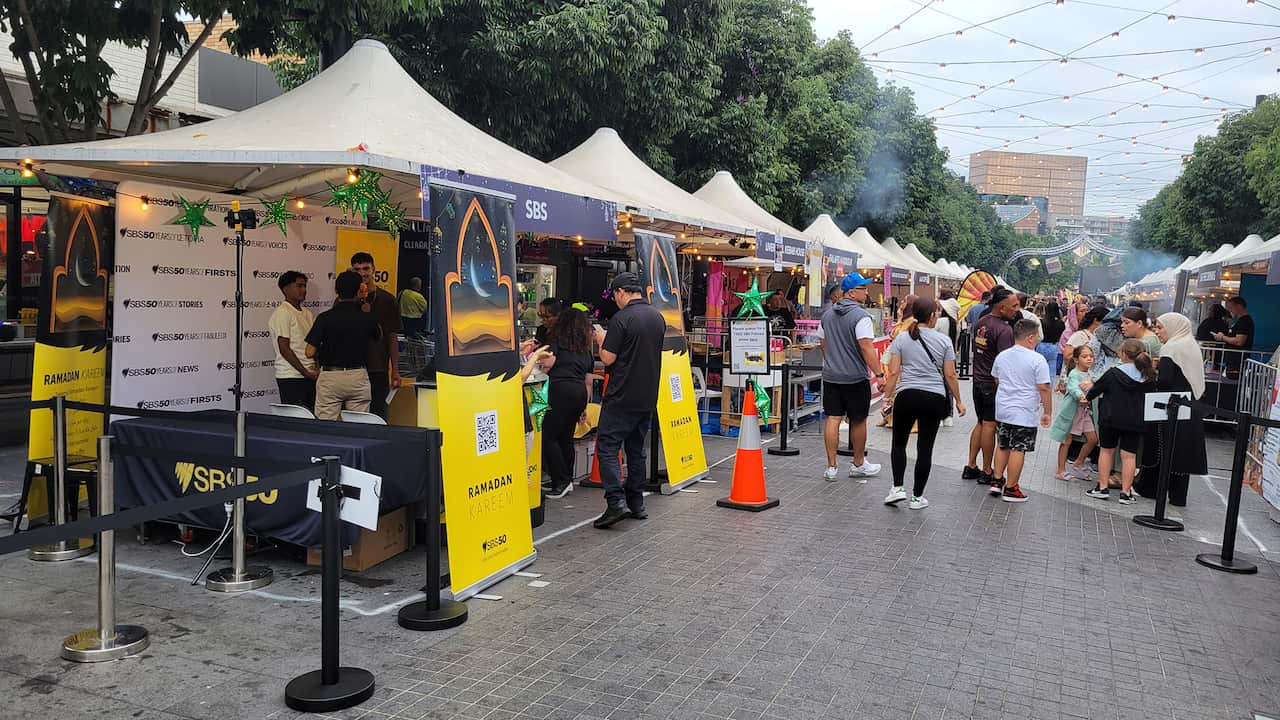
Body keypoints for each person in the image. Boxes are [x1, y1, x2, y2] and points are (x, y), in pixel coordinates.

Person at [591, 273, 665, 529]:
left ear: (621, 292)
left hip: (621, 394)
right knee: (636, 450)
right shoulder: (657, 317)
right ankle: (637, 503)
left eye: (614, 296)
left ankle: (615, 502)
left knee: (608, 446)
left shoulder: (622, 319)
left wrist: (601, 340)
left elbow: (608, 359)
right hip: (647, 395)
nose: (615, 300)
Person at [879, 298, 966, 510]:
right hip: (934, 398)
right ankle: (917, 498)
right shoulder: (944, 341)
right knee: (925, 449)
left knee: (899, 443)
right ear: (933, 316)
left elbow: (894, 372)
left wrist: (887, 398)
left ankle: (897, 487)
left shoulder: (901, 338)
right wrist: (959, 402)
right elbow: (951, 375)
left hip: (907, 395)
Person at [1134, 313, 1208, 513]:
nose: (1158, 332)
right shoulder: (1190, 344)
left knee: (1161, 448)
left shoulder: (1171, 348)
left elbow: (1165, 381)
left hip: (1170, 407)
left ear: (1173, 327)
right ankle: (1178, 496)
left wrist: (1153, 370)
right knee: (1182, 451)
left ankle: (1150, 489)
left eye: (1161, 327)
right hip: (1190, 405)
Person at [820, 272, 886, 482]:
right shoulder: (861, 317)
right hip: (855, 377)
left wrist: (831, 360)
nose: (867, 292)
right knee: (858, 420)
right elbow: (866, 347)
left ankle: (831, 466)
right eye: (863, 289)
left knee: (833, 417)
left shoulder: (828, 315)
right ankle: (858, 463)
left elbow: (823, 342)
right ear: (851, 292)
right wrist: (879, 374)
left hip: (831, 375)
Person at [1085, 338, 1157, 504]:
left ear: (1123, 354)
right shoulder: (1149, 376)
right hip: (1135, 421)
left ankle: (1102, 488)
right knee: (1129, 456)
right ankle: (1126, 493)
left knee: (1106, 451)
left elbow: (1095, 390)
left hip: (1110, 418)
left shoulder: (1113, 373)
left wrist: (1087, 398)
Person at [989, 318, 1052, 503]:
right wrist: (1047, 411)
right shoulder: (1037, 359)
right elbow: (1044, 387)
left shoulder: (1002, 355)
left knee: (1002, 445)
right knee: (1019, 449)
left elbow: (996, 379)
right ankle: (1011, 488)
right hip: (1023, 411)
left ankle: (997, 480)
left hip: (1002, 408)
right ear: (1031, 338)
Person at [305, 271, 382, 420]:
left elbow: (309, 352)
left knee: (326, 427)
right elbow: (379, 337)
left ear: (336, 291)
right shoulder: (366, 317)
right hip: (358, 376)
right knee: (359, 425)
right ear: (359, 290)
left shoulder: (324, 318)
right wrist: (367, 313)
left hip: (330, 376)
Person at [536, 308, 595, 499]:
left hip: (559, 390)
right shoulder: (585, 350)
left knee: (548, 436)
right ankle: (565, 479)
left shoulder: (556, 342)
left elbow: (547, 365)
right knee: (565, 437)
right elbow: (588, 380)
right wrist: (584, 406)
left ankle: (561, 481)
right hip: (578, 393)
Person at [963, 287, 1018, 483]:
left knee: (980, 422)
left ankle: (971, 465)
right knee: (989, 425)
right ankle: (987, 470)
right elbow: (1006, 362)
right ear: (1002, 308)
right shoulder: (1004, 330)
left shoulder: (981, 323)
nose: (1016, 309)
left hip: (978, 381)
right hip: (991, 383)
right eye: (1013, 306)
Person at [349, 252, 401, 418]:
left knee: (379, 415)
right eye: (357, 270)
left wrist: (395, 370)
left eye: (366, 268)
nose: (362, 273)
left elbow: (392, 338)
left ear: (374, 270)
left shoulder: (388, 300)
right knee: (353, 418)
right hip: (352, 369)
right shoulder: (345, 300)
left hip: (378, 368)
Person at [269, 270, 318, 410]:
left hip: (309, 375)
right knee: (297, 421)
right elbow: (284, 348)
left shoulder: (307, 313)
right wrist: (305, 372)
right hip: (291, 376)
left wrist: (315, 369)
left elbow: (313, 344)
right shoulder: (283, 313)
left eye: (304, 286)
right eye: (299, 286)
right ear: (285, 289)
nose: (303, 290)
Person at [1050, 344, 1099, 481]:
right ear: (1076, 360)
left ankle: (1079, 462)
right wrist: (1081, 396)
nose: (1089, 359)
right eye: (1085, 356)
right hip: (1073, 412)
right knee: (1067, 440)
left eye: (1091, 356)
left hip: (1084, 412)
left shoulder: (1091, 374)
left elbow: (1097, 382)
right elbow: (1072, 388)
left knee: (1093, 439)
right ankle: (1060, 470)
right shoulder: (1074, 374)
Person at [878, 294, 917, 429]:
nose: (901, 302)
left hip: (902, 360)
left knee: (897, 389)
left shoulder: (912, 322)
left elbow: (898, 335)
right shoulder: (905, 320)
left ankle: (896, 418)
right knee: (894, 388)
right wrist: (900, 317)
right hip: (895, 358)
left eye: (905, 301)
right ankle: (889, 417)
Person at [1213, 296, 1253, 374]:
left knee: (1232, 380)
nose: (1230, 310)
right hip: (1232, 360)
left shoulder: (1244, 321)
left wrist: (1222, 337)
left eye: (1231, 307)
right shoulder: (1240, 321)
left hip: (1237, 361)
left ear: (1239, 306)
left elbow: (1239, 341)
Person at [1038, 301, 1066, 375]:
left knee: (1039, 369)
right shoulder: (1061, 323)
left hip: (1042, 345)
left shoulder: (1041, 322)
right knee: (1052, 371)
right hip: (1054, 346)